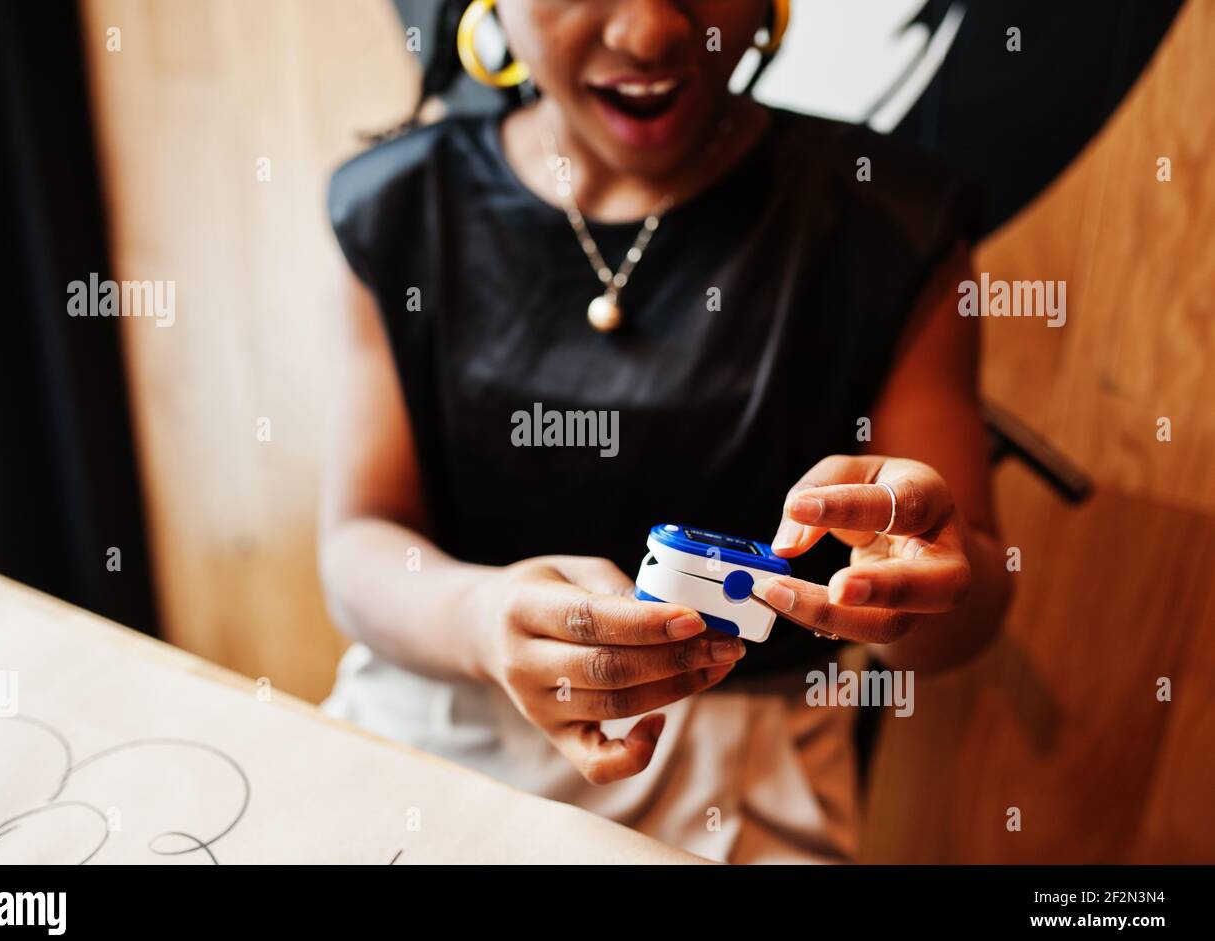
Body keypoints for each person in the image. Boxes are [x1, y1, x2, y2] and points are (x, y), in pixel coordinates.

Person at [318, 0, 1012, 862]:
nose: (650, 34)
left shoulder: (894, 220)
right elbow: (356, 542)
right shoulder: (398, 203)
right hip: (431, 721)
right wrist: (478, 616)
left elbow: (965, 616)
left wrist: (925, 584)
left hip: (739, 776)